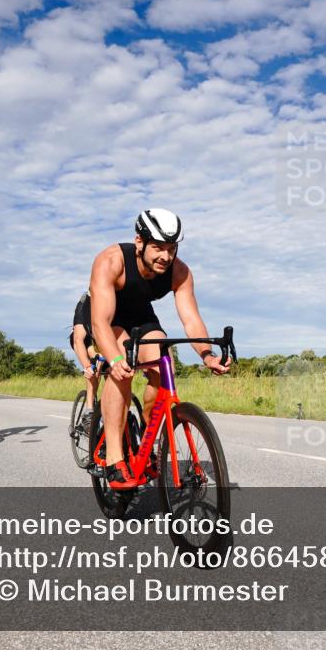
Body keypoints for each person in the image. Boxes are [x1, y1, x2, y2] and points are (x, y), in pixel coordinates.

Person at [89, 208, 229, 489]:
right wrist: (115, 359)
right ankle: (115, 455)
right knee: (122, 372)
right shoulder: (111, 261)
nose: (166, 256)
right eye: (158, 248)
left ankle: (146, 438)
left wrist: (207, 355)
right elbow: (99, 322)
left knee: (162, 367)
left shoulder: (179, 271)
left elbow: (190, 319)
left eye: (172, 248)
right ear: (139, 241)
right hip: (106, 316)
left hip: (141, 316)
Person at [69, 291, 104, 433]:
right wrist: (87, 366)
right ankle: (89, 411)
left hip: (102, 339)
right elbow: (78, 340)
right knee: (95, 365)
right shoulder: (84, 304)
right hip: (84, 340)